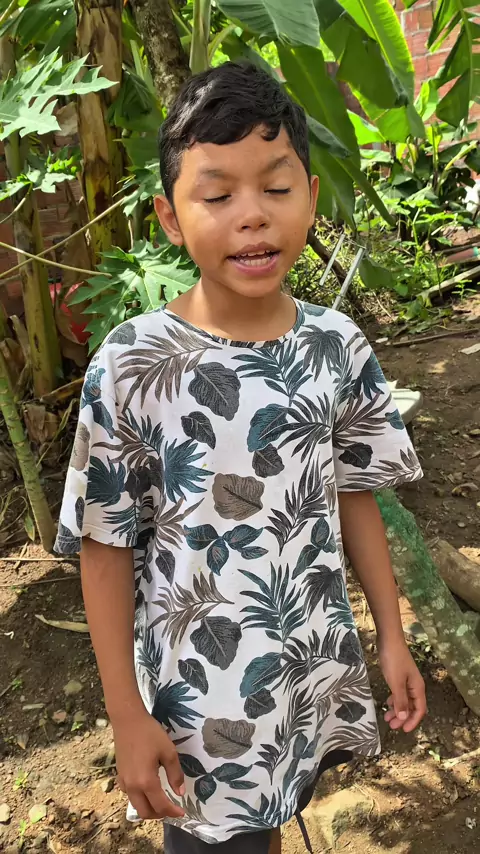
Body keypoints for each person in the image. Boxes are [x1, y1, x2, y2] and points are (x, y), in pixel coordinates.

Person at [55, 61, 427, 854]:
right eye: (218, 196)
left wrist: (390, 634)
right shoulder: (134, 365)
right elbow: (104, 542)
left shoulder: (336, 346)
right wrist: (126, 714)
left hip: (306, 670)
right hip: (200, 707)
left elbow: (355, 494)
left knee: (278, 812)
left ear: (311, 198)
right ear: (169, 217)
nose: (252, 216)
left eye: (276, 187)